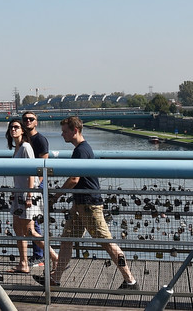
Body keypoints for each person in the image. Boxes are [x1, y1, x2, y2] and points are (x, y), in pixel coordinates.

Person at [40, 116, 139, 290]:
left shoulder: (81, 151)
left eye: (65, 131)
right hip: (80, 205)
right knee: (66, 241)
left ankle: (130, 280)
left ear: (75, 131)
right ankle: (54, 279)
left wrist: (55, 196)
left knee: (108, 243)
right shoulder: (82, 149)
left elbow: (74, 178)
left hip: (89, 206)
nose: (62, 135)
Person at [5, 120, 48, 274]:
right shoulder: (17, 148)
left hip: (27, 194)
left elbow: (31, 171)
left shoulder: (26, 147)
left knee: (30, 231)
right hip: (19, 193)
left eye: (16, 127)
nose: (13, 130)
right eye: (11, 127)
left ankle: (55, 258)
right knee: (18, 228)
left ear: (22, 130)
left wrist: (30, 195)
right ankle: (23, 263)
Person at [22, 111, 52, 264]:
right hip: (26, 185)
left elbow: (43, 166)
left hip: (35, 187)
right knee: (30, 221)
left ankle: (40, 255)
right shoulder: (23, 139)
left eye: (31, 119)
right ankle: (38, 254)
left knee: (34, 221)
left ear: (36, 122)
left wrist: (34, 189)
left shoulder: (40, 140)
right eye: (25, 119)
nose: (28, 121)